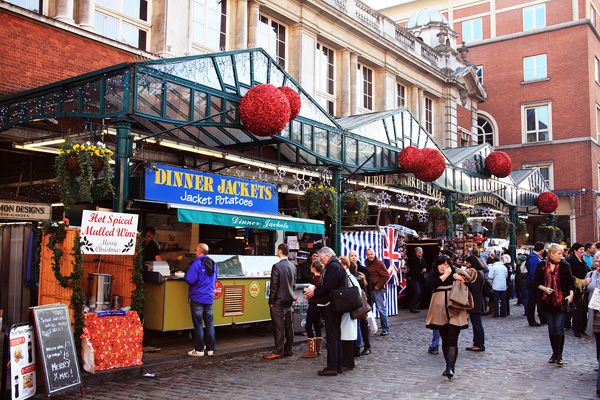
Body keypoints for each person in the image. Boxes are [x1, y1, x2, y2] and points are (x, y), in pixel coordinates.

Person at [425, 256, 474, 379]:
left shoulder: (457, 273)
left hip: (455, 309)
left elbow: (472, 284)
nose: (443, 267)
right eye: (441, 264)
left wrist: (463, 280)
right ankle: (448, 365)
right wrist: (445, 276)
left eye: (446, 264)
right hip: (440, 311)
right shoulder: (434, 275)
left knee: (452, 339)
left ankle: (450, 367)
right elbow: (429, 285)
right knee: (445, 339)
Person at [304, 246, 346, 376]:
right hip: (336, 304)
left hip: (331, 304)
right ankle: (338, 365)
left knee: (332, 336)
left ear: (327, 256)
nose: (321, 262)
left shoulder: (333, 267)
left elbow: (328, 285)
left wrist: (315, 291)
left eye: (322, 259)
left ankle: (332, 366)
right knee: (336, 335)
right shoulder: (336, 266)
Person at [534, 243, 575, 366]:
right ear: (551, 254)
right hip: (547, 301)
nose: (561, 256)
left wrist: (571, 294)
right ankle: (554, 353)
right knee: (551, 327)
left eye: (562, 253)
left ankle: (559, 354)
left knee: (559, 326)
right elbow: (535, 282)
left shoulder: (564, 265)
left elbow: (570, 282)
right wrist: (544, 288)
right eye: (559, 253)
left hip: (561, 300)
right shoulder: (541, 265)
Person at [264, 243, 296, 360]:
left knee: (279, 326)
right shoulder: (293, 266)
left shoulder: (276, 266)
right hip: (289, 299)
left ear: (280, 251)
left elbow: (274, 286)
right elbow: (294, 284)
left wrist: (271, 300)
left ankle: (278, 350)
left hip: (278, 299)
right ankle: (288, 348)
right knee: (288, 325)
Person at [185, 243, 217, 357]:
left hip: (197, 297)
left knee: (198, 324)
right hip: (209, 297)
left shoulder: (197, 264)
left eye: (195, 251)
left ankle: (199, 350)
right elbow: (215, 278)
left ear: (199, 252)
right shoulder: (213, 264)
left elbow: (190, 279)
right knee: (209, 323)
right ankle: (210, 349)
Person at [349, 250, 371, 355]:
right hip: (353, 303)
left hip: (361, 303)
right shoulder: (348, 273)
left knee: (363, 324)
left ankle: (366, 346)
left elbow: (368, 288)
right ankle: (355, 346)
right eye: (351, 256)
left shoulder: (363, 271)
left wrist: (369, 303)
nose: (353, 257)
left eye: (355, 255)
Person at [339, 256, 359, 371]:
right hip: (349, 310)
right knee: (347, 336)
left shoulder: (347, 277)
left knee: (347, 337)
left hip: (348, 311)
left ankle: (348, 362)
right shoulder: (348, 276)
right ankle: (347, 361)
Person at [301, 260, 323, 358]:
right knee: (317, 326)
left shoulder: (314, 280)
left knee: (309, 326)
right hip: (320, 306)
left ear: (313, 268)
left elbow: (310, 293)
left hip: (313, 305)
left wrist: (306, 295)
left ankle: (312, 350)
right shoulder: (322, 279)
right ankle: (318, 350)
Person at [365, 248, 390, 336]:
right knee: (367, 310)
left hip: (377, 290)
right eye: (368, 255)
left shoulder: (379, 263)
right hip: (370, 290)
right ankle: (368, 328)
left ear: (374, 254)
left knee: (381, 309)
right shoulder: (366, 263)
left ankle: (385, 328)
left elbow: (386, 276)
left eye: (371, 254)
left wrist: (378, 286)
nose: (370, 256)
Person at [567, 242, 589, 337]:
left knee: (583, 309)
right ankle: (576, 328)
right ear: (575, 251)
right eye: (581, 250)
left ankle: (582, 327)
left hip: (583, 288)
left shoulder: (582, 261)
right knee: (577, 310)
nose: (582, 252)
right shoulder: (571, 261)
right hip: (576, 288)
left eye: (583, 250)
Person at [465, 255, 486, 351]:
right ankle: (476, 342)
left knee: (477, 322)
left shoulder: (476, 273)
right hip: (477, 300)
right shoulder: (479, 273)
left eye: (468, 263)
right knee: (475, 322)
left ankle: (480, 343)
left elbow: (475, 289)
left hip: (476, 300)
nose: (467, 265)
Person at [584, 252, 600, 365]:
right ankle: (599, 362)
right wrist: (584, 284)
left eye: (599, 261)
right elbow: (582, 290)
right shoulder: (591, 274)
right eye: (596, 261)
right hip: (595, 313)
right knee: (598, 339)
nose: (597, 263)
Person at [526, 242, 545, 326]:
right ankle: (531, 319)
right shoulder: (534, 258)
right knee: (533, 301)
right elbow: (534, 272)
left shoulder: (534, 257)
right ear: (542, 250)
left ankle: (537, 318)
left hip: (532, 282)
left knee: (534, 301)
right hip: (533, 283)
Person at [407, 246, 427, 313]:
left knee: (420, 292)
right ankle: (412, 307)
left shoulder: (423, 259)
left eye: (422, 252)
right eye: (420, 252)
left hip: (420, 278)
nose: (421, 253)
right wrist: (420, 271)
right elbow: (412, 269)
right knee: (417, 292)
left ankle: (415, 306)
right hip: (414, 278)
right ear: (416, 252)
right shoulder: (412, 259)